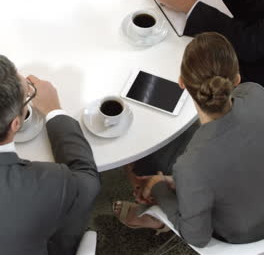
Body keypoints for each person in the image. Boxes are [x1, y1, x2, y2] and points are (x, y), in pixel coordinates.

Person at [113, 32, 264, 247]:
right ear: (237, 80)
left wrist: (158, 186)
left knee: (137, 162)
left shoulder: (190, 165)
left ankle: (155, 219)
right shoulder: (256, 93)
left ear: (181, 82)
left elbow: (197, 238)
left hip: (241, 234)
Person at [0, 55, 100, 255]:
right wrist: (54, 111)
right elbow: (88, 180)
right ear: (15, 124)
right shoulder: (50, 183)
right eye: (27, 98)